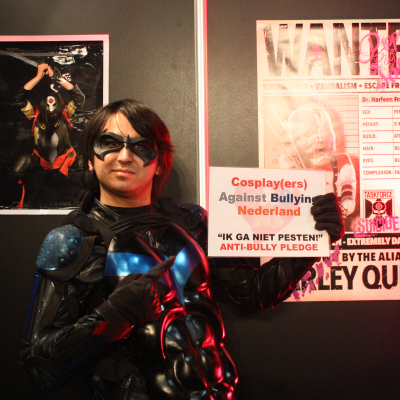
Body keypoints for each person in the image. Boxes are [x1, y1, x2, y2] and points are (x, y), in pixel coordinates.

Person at [19, 99, 344, 399]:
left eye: (141, 146)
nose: (125, 156)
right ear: (90, 160)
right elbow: (39, 369)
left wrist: (314, 239)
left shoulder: (192, 222)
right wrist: (113, 316)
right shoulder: (74, 241)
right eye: (110, 143)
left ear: (160, 163)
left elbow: (254, 291)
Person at [278, 107, 357, 218]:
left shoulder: (342, 161)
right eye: (297, 138)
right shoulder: (288, 160)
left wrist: (339, 212)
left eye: (307, 134)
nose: (303, 142)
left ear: (319, 130)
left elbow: (349, 199)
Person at [15, 63, 85, 177]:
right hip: (41, 165)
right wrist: (38, 77)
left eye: (53, 105)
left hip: (67, 163)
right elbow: (19, 99)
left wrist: (58, 78)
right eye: (47, 105)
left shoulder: (65, 114)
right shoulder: (35, 115)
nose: (50, 109)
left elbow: (79, 98)